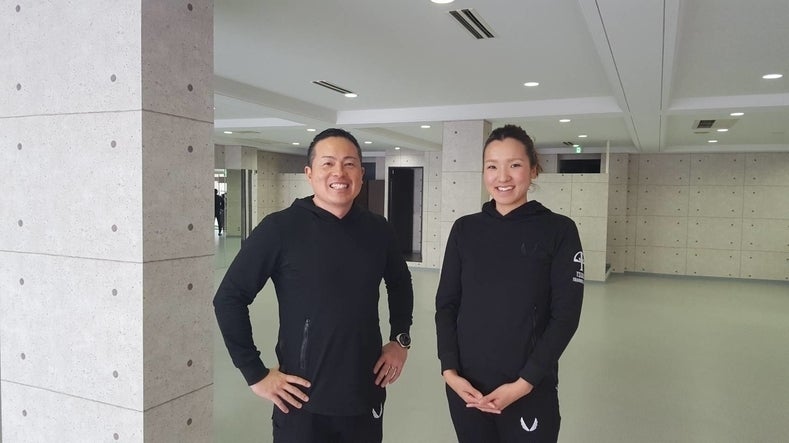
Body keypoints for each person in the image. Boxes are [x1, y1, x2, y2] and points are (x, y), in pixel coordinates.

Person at [214, 128, 414, 443]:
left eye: (349, 164)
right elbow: (229, 298)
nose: (339, 173)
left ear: (361, 175)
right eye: (328, 163)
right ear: (309, 173)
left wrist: (400, 340)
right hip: (301, 400)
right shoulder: (280, 229)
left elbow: (400, 283)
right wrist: (255, 374)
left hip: (364, 395)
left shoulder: (378, 230)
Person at [435, 124, 584, 442]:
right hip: (467, 389)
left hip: (529, 387)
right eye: (492, 166)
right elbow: (446, 305)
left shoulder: (559, 231)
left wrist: (524, 383)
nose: (502, 177)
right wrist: (450, 372)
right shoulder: (465, 230)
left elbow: (566, 316)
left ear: (533, 169)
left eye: (514, 165)